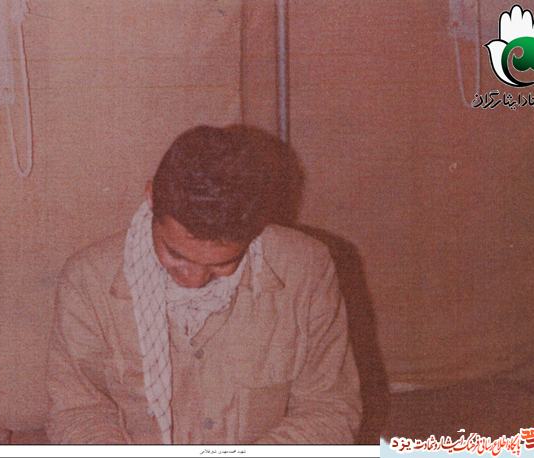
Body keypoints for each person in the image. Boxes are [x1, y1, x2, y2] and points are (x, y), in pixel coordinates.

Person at [46, 125, 362, 444]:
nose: (194, 281)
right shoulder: (88, 281)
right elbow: (78, 410)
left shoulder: (306, 271)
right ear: (151, 197)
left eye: (222, 264)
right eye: (176, 255)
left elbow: (329, 410)